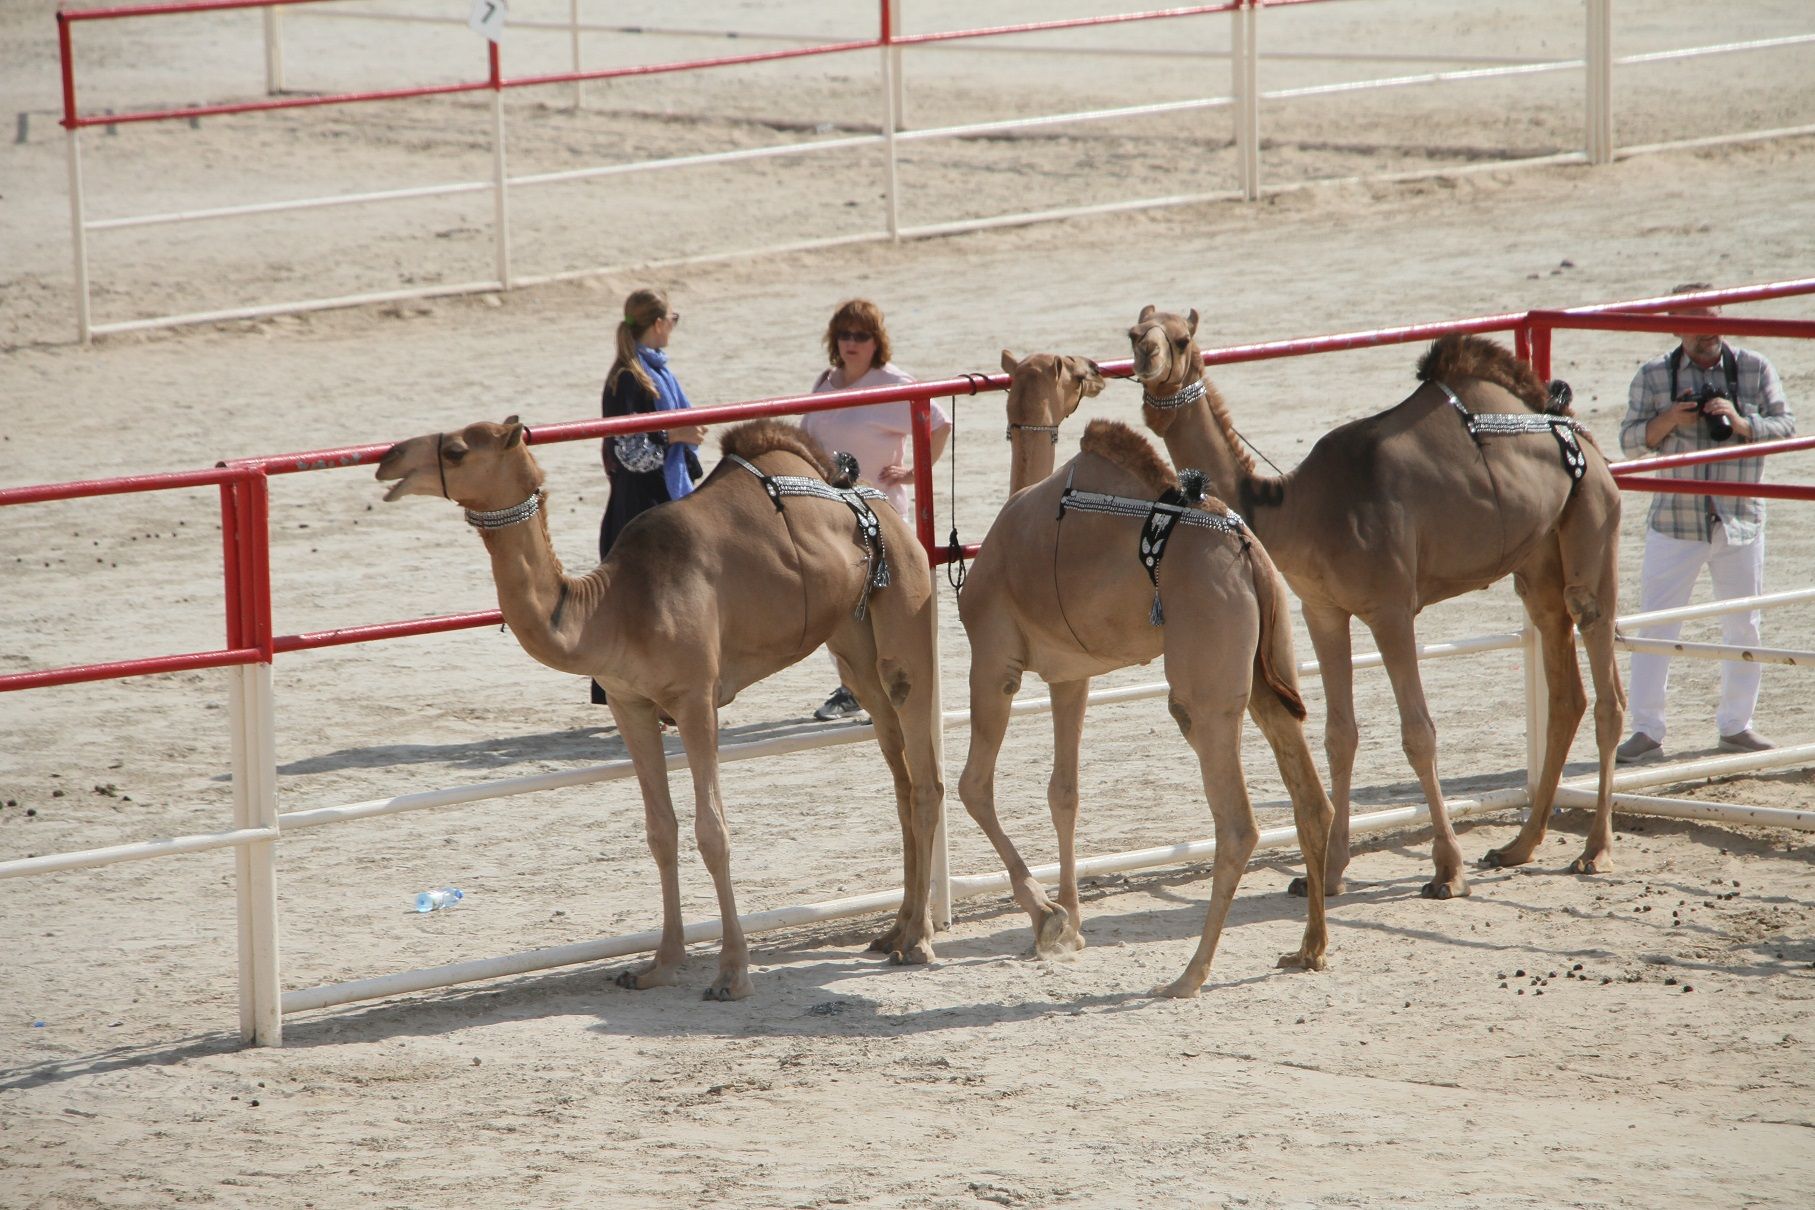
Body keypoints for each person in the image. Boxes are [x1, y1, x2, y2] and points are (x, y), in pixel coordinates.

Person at [1614, 283, 1795, 764]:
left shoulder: (1754, 367)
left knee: (1744, 625)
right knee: (1656, 626)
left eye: (1711, 320)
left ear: (1723, 315)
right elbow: (1631, 443)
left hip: (1740, 517)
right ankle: (1647, 731)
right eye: (1694, 325)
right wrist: (1669, 419)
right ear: (1674, 327)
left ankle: (1737, 726)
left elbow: (1788, 427)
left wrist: (1740, 422)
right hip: (1675, 520)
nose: (1705, 334)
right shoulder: (1654, 374)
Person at [800, 298, 951, 721]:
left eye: (860, 336)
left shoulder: (891, 382)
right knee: (837, 607)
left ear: (875, 341)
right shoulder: (825, 381)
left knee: (883, 606)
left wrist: (914, 472)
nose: (851, 343)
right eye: (844, 334)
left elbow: (938, 423)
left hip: (877, 513)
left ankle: (889, 689)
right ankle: (853, 686)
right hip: (827, 513)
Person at [590, 287, 707, 705]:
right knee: (642, 604)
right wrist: (674, 434)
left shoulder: (656, 372)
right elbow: (630, 452)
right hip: (639, 506)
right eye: (673, 319)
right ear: (658, 324)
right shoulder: (628, 378)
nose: (674, 327)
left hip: (660, 499)